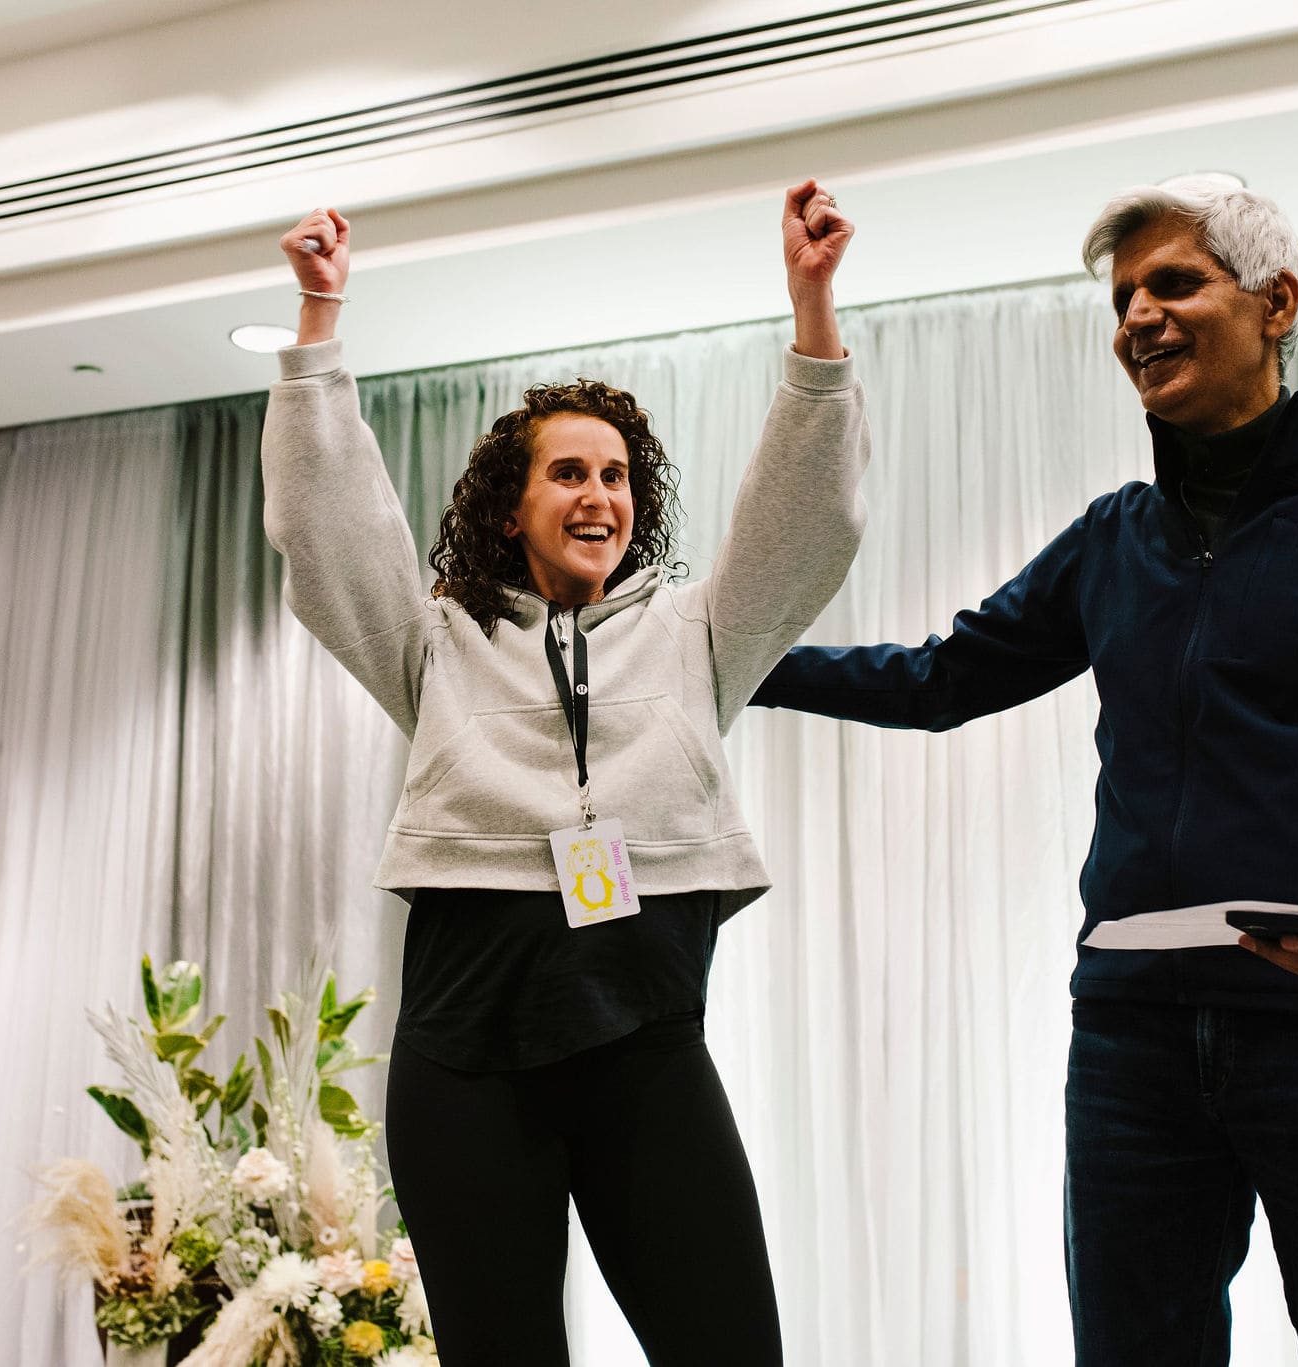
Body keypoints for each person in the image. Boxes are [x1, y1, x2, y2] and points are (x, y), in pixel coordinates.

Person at [749, 176, 1298, 1366]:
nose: (1137, 315)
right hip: (1133, 1047)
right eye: (1124, 295)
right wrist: (723, 657)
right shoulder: (1112, 537)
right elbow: (934, 680)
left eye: (1173, 282)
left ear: (1276, 301)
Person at [260, 180, 867, 1366]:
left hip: (643, 1044)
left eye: (617, 476)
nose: (599, 495)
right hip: (464, 1061)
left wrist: (811, 308)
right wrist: (317, 327)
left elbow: (807, 525)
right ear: (508, 509)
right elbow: (330, 529)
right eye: (568, 473)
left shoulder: (698, 636)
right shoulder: (434, 645)